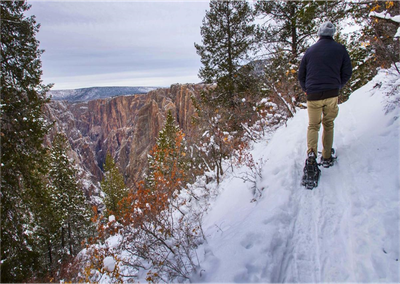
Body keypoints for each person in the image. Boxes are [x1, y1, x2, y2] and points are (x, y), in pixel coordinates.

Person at [298, 21, 352, 168]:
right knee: (328, 124)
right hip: (331, 93)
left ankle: (311, 155)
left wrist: (306, 89)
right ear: (332, 33)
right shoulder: (340, 49)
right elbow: (347, 72)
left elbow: (301, 75)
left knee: (313, 126)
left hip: (313, 95)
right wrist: (338, 85)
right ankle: (327, 156)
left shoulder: (310, 51)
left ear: (319, 33)